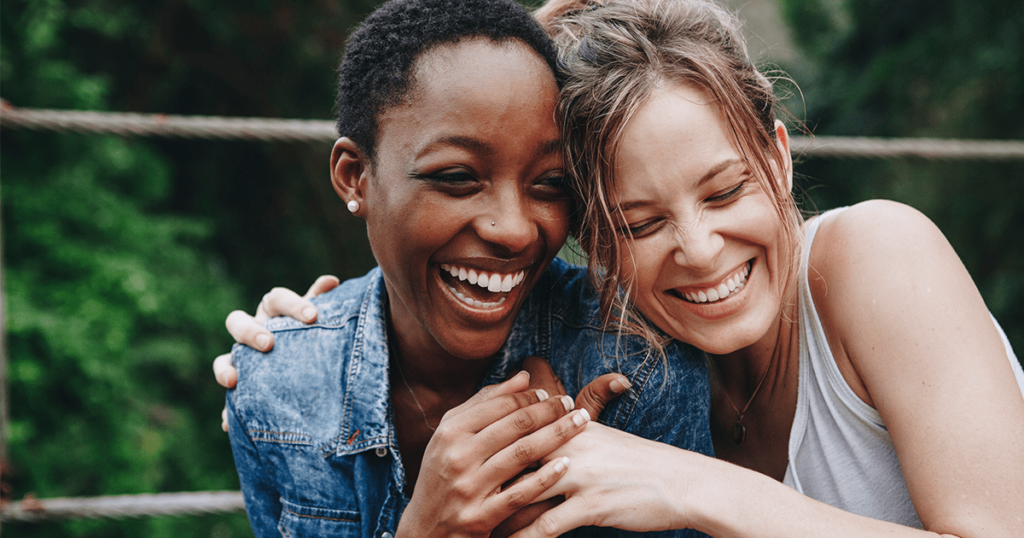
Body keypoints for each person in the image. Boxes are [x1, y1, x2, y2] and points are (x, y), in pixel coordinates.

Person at [224, 0, 1024, 536]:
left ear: (777, 159)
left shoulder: (874, 257)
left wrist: (700, 488)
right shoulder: (636, 358)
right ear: (593, 242)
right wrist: (320, 343)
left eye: (726, 190)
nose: (701, 248)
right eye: (639, 223)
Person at [221, 0, 713, 536]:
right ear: (354, 176)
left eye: (550, 183)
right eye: (457, 177)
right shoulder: (275, 389)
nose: (515, 230)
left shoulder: (637, 367)